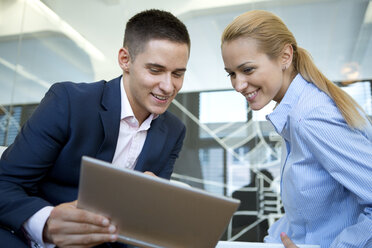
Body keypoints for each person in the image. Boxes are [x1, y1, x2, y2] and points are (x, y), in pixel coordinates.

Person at [0, 9, 190, 248]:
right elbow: (4, 183)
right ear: (125, 59)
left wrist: (154, 204)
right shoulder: (69, 101)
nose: (167, 86)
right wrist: (46, 223)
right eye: (155, 70)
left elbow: (144, 223)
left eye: (178, 74)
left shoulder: (174, 131)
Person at [221, 9, 372, 248]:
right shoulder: (295, 113)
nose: (238, 85)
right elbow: (306, 218)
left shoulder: (311, 118)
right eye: (231, 74)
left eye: (247, 70)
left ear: (285, 56)